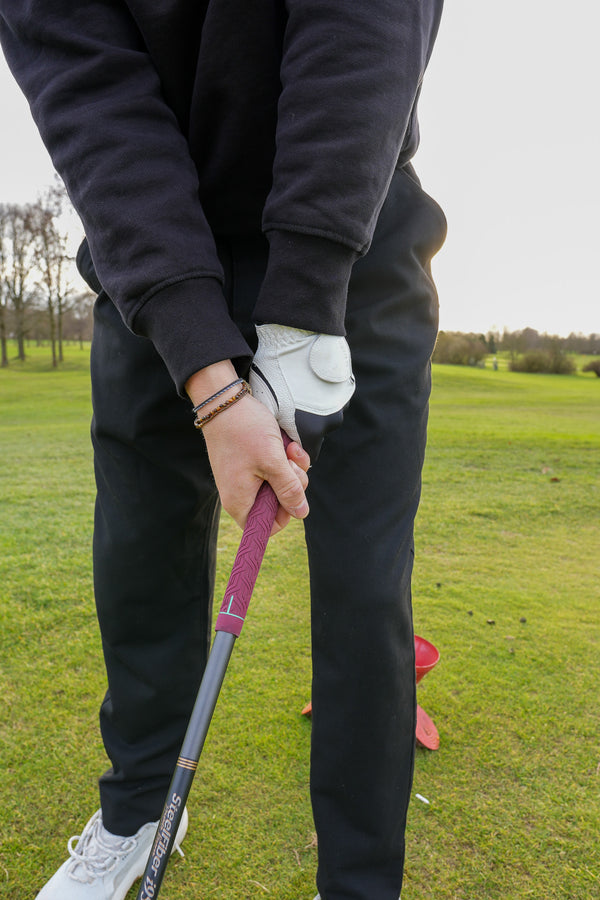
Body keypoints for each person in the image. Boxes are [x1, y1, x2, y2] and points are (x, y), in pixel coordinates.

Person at [0, 2, 446, 898]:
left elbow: (361, 30)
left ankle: (358, 883)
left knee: (363, 592)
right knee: (139, 559)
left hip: (348, 232)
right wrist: (208, 376)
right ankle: (134, 817)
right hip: (155, 254)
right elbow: (90, 90)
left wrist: (298, 322)